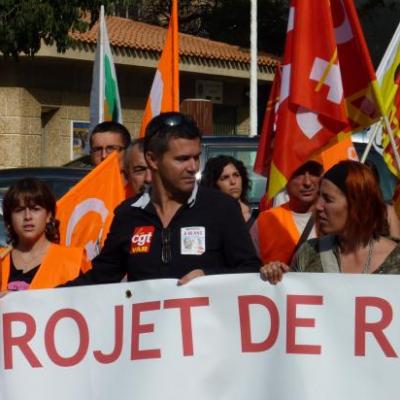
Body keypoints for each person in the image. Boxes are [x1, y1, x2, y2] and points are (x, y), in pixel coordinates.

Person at [63, 112, 260, 287]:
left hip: (203, 327)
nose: (193, 167)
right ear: (153, 159)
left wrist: (209, 277)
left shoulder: (221, 208)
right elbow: (101, 277)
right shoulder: (128, 213)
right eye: (182, 159)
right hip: (146, 328)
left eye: (196, 157)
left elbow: (250, 269)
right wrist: (44, 299)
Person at [261, 160, 400, 284]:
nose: (318, 206)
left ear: (357, 205)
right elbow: (292, 304)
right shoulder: (308, 253)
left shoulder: (396, 258)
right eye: (319, 197)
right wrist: (275, 278)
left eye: (328, 199)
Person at [0, 178, 88, 291]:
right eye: (19, 210)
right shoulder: (2, 260)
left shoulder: (74, 260)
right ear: (9, 219)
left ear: (48, 216)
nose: (27, 217)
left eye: (35, 209)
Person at [251, 160, 323, 265]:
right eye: (298, 173)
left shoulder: (337, 219)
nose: (307, 182)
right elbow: (248, 268)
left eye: (314, 173)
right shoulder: (265, 221)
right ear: (284, 178)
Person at [201, 155, 256, 228]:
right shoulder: (207, 217)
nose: (233, 182)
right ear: (214, 184)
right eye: (225, 177)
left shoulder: (254, 213)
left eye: (236, 175)